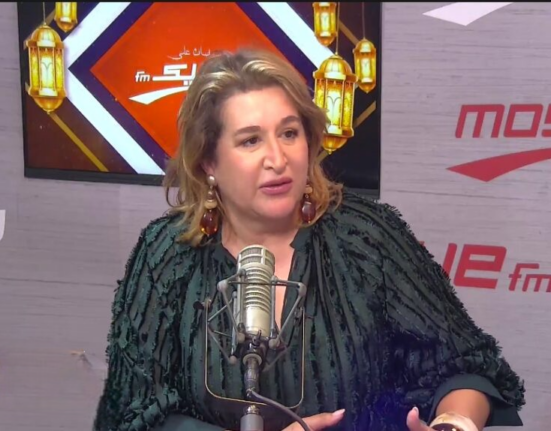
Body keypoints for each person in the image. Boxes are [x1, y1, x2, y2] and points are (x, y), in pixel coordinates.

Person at [92, 49, 525, 431]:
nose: (278, 159)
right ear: (209, 161)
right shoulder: (167, 254)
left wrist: (453, 423)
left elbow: (465, 365)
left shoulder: (367, 237)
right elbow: (132, 412)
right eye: (250, 141)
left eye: (289, 133)